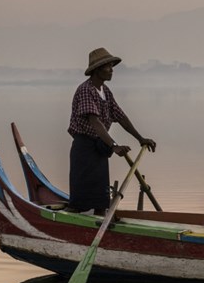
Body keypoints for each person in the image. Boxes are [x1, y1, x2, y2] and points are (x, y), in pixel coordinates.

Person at [67, 48, 156, 215]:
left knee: (100, 196)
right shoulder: (86, 90)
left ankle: (100, 219)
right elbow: (95, 122)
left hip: (100, 146)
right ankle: (76, 221)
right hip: (84, 148)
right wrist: (114, 146)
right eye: (107, 67)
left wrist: (140, 138)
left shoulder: (105, 91)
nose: (111, 70)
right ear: (97, 70)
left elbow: (120, 116)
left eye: (111, 66)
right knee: (80, 197)